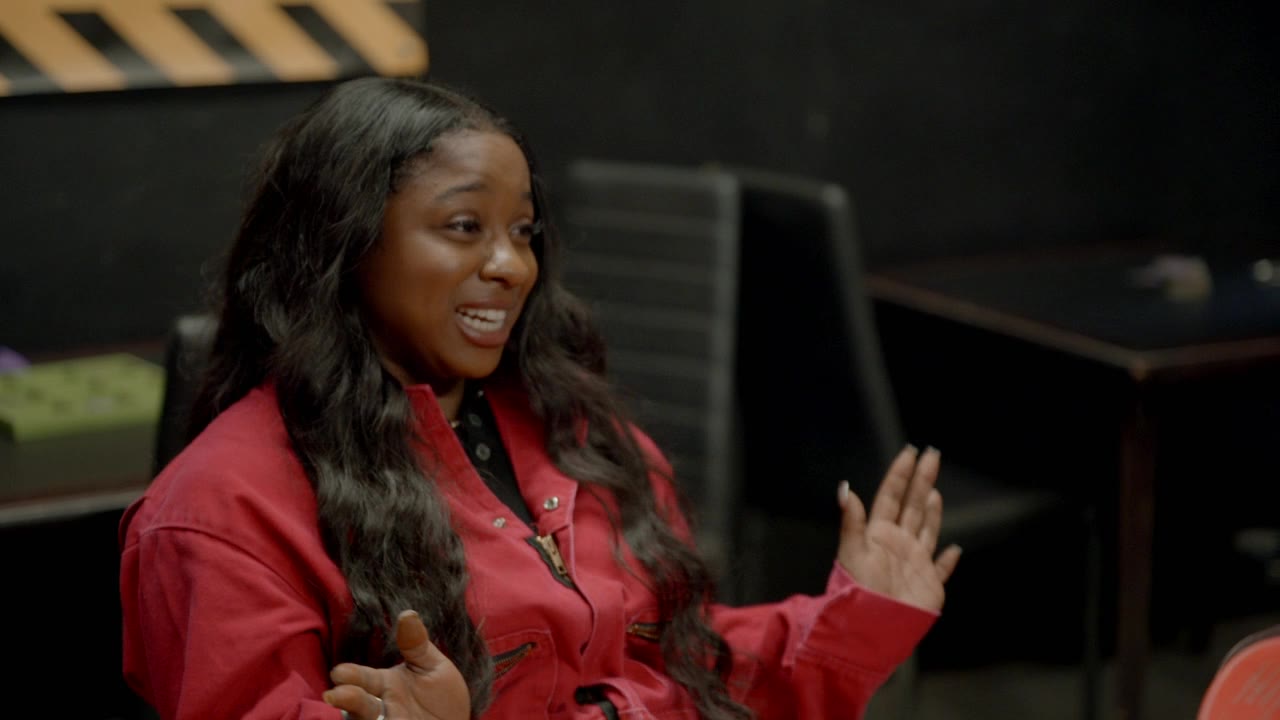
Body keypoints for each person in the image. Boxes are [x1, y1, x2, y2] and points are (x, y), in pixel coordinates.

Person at [118, 76, 962, 720]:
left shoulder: (582, 436)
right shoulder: (219, 513)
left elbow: (690, 672)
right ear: (343, 244)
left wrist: (855, 620)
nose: (511, 265)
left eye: (522, 231)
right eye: (464, 227)